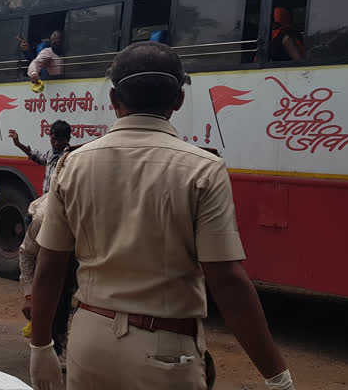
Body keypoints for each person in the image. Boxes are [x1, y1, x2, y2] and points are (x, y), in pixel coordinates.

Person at [29, 42, 295, 390]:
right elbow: (227, 281)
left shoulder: (73, 163)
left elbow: (49, 265)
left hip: (88, 342)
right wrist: (277, 375)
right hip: (165, 350)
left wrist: (41, 345)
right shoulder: (203, 169)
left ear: (114, 100)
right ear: (178, 101)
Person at [19, 193, 76, 370]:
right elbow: (27, 254)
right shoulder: (43, 219)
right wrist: (29, 296)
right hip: (39, 224)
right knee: (48, 289)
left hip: (71, 238)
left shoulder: (88, 217)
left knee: (67, 287)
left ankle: (62, 338)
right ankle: (50, 347)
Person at [8, 120, 70, 195]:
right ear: (50, 136)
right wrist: (18, 144)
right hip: (46, 199)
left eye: (60, 140)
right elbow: (38, 157)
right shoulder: (50, 153)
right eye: (54, 139)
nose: (56, 143)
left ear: (68, 139)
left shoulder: (70, 157)